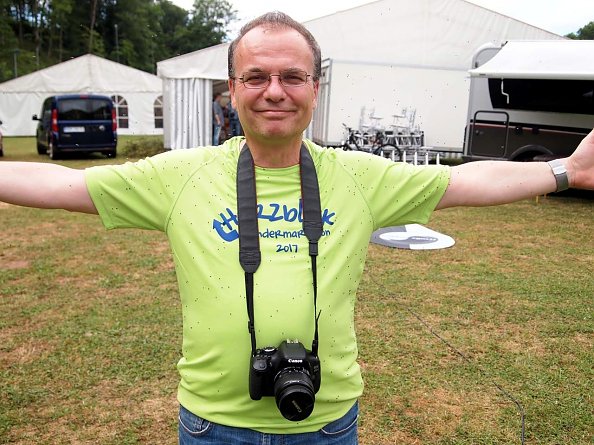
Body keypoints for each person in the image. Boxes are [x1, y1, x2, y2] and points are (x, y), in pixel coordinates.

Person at [1, 11, 593, 445]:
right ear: (232, 90)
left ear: (315, 88)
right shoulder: (181, 175)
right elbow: (64, 186)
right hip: (214, 424)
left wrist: (568, 170)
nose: (274, 91)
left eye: (292, 76)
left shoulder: (362, 176)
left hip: (329, 419)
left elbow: (469, 183)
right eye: (255, 77)